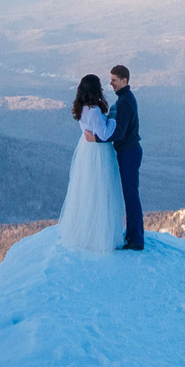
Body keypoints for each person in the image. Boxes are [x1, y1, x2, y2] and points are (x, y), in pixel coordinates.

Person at [54, 73, 124, 252]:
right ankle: (101, 235)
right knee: (101, 189)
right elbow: (105, 134)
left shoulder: (83, 109)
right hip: (98, 153)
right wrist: (113, 117)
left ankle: (87, 231)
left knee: (88, 190)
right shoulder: (94, 111)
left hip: (86, 151)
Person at [104, 64, 144, 250]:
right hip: (128, 151)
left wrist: (97, 137)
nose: (111, 83)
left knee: (131, 195)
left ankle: (136, 239)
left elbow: (119, 133)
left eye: (114, 80)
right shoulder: (125, 99)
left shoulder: (125, 102)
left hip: (129, 152)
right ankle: (133, 235)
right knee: (130, 194)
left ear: (124, 80)